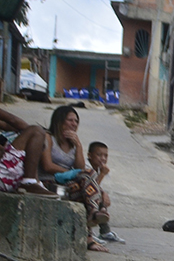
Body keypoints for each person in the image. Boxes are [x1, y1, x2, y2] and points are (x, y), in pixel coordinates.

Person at [40, 105, 111, 252]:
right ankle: (96, 213)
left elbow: (79, 167)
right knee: (87, 175)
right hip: (48, 181)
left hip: (67, 183)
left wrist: (78, 145)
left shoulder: (73, 145)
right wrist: (70, 172)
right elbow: (47, 166)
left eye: (76, 121)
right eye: (70, 120)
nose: (74, 124)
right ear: (59, 121)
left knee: (80, 188)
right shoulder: (48, 138)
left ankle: (89, 235)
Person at [0, 107, 53, 195]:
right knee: (36, 131)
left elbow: (13, 125)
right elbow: (12, 120)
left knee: (33, 140)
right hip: (4, 176)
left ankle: (35, 182)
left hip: (5, 176)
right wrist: (40, 136)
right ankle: (29, 183)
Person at [87, 141, 123, 244]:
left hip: (91, 193)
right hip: (83, 193)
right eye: (99, 155)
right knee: (97, 195)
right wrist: (102, 174)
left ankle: (105, 232)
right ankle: (89, 233)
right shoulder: (87, 166)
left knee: (102, 195)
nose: (103, 158)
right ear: (89, 155)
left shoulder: (99, 168)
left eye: (105, 156)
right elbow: (91, 187)